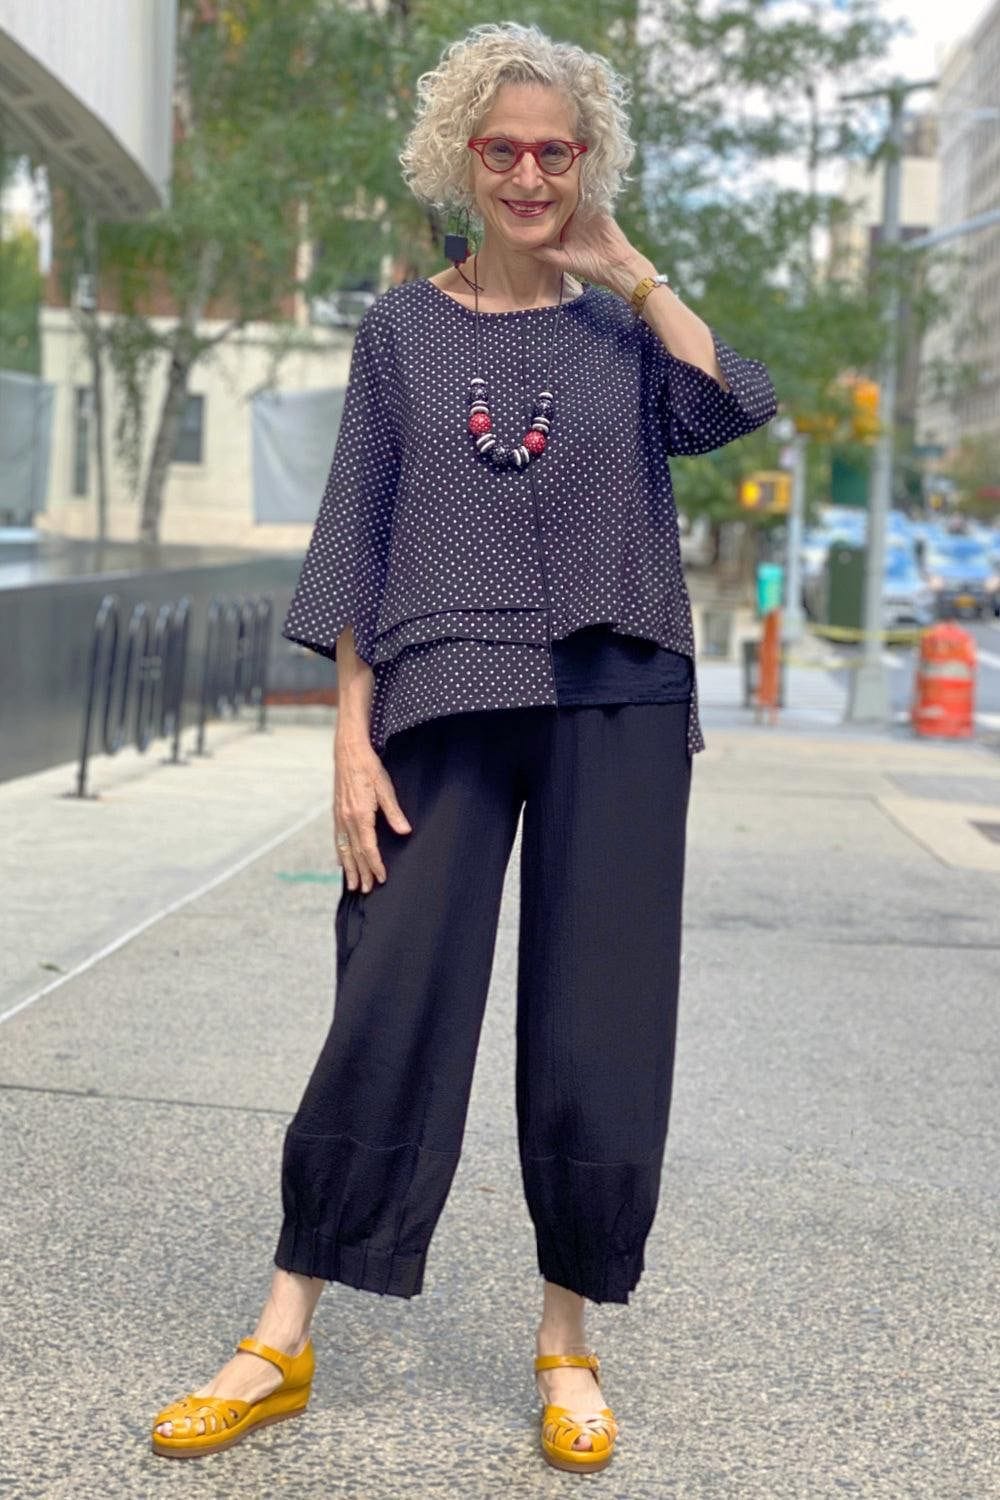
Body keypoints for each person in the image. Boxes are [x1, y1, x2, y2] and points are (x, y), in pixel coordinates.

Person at [150, 20, 777, 1474]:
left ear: (588, 163)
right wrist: (346, 747)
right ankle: (281, 1330)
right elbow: (354, 543)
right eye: (502, 148)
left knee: (600, 1022)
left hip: (617, 691)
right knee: (389, 997)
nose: (529, 173)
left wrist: (635, 270)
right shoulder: (397, 332)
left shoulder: (625, 335)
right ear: (460, 156)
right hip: (439, 693)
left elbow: (736, 400)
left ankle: (566, 1340)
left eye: (557, 150)